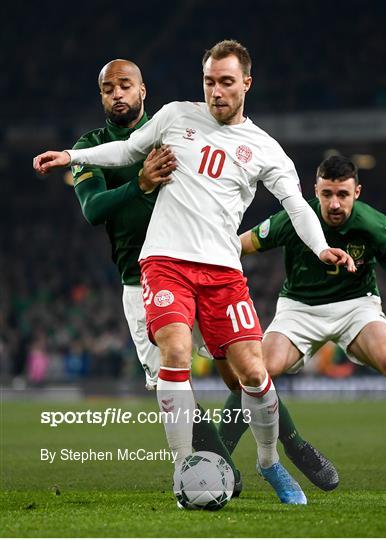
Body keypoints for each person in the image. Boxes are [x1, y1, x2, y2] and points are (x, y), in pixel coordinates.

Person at [33, 41, 355, 505]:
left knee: (251, 373)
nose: (216, 92)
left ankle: (270, 462)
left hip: (223, 270)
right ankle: (186, 469)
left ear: (246, 82)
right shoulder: (176, 115)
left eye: (226, 82)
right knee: (176, 354)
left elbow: (296, 206)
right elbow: (126, 149)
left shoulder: (265, 148)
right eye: (209, 81)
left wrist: (323, 248)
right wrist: (72, 155)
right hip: (164, 261)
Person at [218, 154, 386, 491]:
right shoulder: (296, 217)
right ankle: (219, 459)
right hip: (299, 308)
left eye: (342, 194)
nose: (334, 203)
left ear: (357, 191)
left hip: (356, 306)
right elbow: (241, 245)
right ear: (315, 190)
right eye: (327, 194)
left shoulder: (375, 226)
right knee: (255, 371)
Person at [60, 58, 243, 495]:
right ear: (102, 96)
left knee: (244, 370)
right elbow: (92, 210)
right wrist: (139, 185)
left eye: (126, 85)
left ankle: (285, 452)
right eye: (109, 88)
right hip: (139, 282)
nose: (117, 94)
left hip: (199, 268)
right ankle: (213, 470)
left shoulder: (173, 130)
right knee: (172, 377)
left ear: (144, 90)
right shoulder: (92, 146)